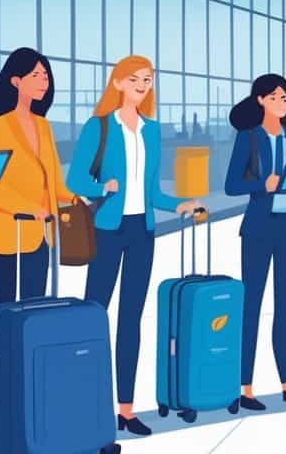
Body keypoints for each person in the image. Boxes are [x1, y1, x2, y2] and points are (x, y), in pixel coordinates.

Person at [66, 55, 204, 436]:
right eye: (136, 79)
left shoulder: (152, 130)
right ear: (118, 83)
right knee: (94, 316)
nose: (143, 85)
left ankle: (125, 409)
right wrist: (101, 188)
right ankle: (87, 406)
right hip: (108, 229)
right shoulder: (100, 127)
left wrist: (179, 204)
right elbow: (76, 178)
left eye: (148, 79)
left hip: (142, 232)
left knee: (131, 319)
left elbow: (152, 190)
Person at [224, 74, 286, 408]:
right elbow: (232, 184)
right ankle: (245, 387)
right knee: (252, 307)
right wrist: (264, 183)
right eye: (275, 96)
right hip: (259, 230)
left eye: (285, 97)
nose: (282, 102)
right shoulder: (248, 138)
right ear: (260, 100)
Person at [0, 48, 76, 303]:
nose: (44, 81)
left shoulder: (44, 126)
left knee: (35, 306)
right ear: (16, 81)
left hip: (40, 233)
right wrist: (28, 207)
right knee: (6, 309)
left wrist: (76, 199)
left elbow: (54, 181)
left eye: (46, 75)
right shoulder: (0, 125)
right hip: (7, 230)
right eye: (36, 75)